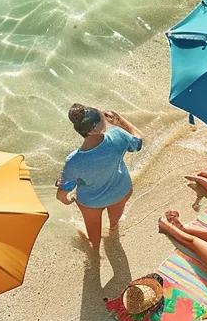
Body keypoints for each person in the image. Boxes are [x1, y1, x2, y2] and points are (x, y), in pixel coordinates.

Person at [56, 103, 143, 251]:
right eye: (103, 117)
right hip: (120, 191)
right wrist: (120, 121)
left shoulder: (73, 160)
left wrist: (66, 200)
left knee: (94, 240)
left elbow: (63, 194)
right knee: (114, 223)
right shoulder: (118, 135)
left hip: (91, 203)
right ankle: (113, 231)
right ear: (99, 126)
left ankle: (95, 250)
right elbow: (138, 141)